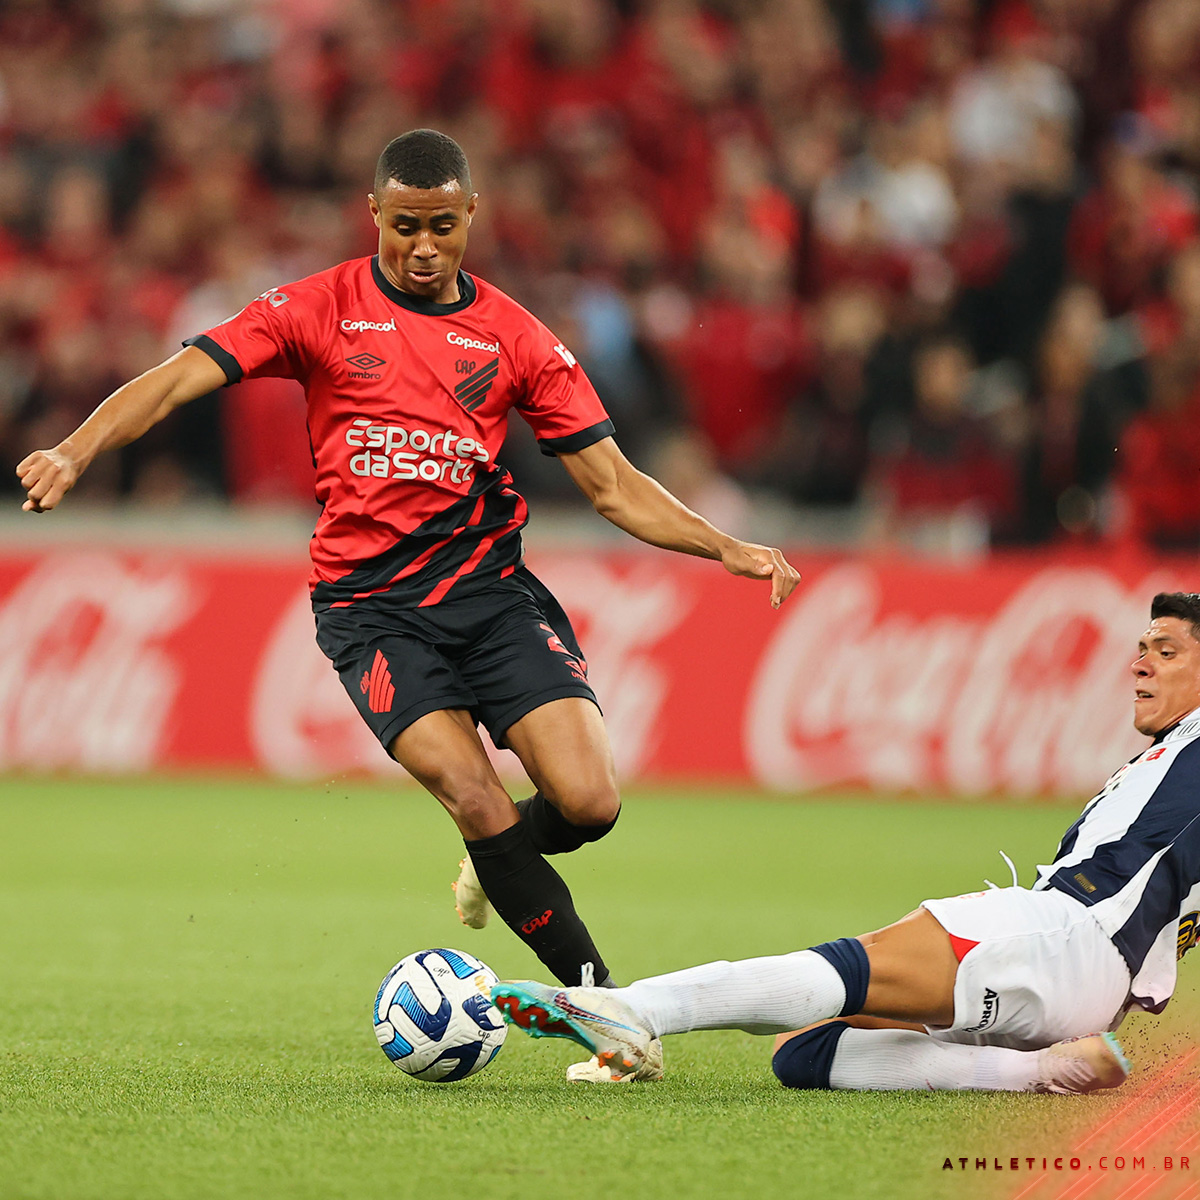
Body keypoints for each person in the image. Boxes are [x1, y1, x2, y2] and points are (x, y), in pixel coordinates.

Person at [15, 129, 800, 1004]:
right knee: (472, 790)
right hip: (370, 609)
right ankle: (604, 1003)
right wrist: (74, 451)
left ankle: (492, 863)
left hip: (491, 595)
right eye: (403, 227)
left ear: (471, 215)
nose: (422, 247)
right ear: (373, 215)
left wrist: (724, 542)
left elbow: (613, 485)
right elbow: (170, 380)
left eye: (440, 226)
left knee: (589, 803)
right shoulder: (314, 307)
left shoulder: (516, 337)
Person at [493, 592, 1200, 1092]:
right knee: (803, 1050)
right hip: (1086, 989)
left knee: (840, 970)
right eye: (1140, 648)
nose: (1138, 663)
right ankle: (1039, 1073)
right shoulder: (1159, 762)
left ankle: (631, 1011)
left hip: (1059, 939)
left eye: (1165, 652)